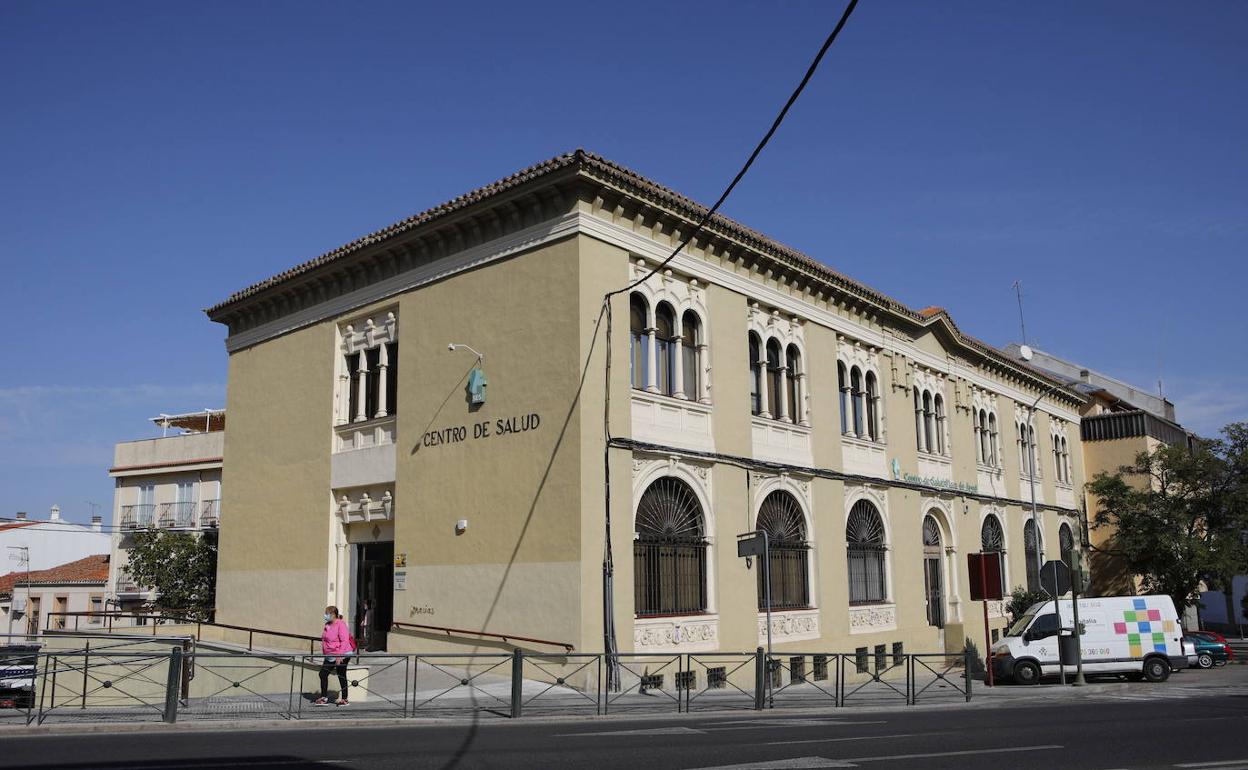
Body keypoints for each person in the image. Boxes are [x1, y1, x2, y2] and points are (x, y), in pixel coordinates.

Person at [314, 606, 352, 706]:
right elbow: (326, 638)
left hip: (342, 654)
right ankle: (323, 698)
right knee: (323, 674)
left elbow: (345, 641)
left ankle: (344, 699)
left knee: (341, 675)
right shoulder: (328, 624)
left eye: (327, 614)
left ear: (333, 614)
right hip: (330, 655)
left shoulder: (341, 624)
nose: (325, 616)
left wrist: (340, 656)